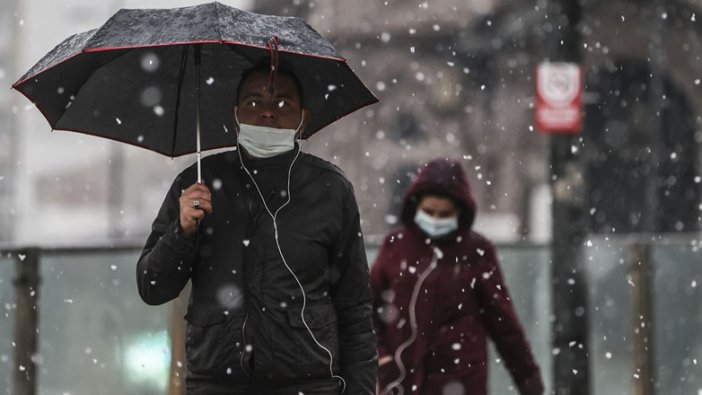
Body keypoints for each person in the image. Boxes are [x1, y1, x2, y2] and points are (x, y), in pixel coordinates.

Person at [136, 61, 377, 394]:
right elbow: (152, 286)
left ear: (303, 119)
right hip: (216, 384)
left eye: (282, 103)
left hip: (309, 383)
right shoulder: (197, 184)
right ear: (235, 115)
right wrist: (182, 231)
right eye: (253, 103)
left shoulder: (330, 189)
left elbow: (354, 307)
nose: (267, 113)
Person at [370, 158, 544, 395]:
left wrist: (528, 380)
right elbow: (366, 309)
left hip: (460, 381)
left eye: (444, 214)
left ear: (459, 211)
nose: (436, 220)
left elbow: (503, 321)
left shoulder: (476, 251)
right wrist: (382, 357)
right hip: (402, 380)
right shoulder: (395, 246)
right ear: (416, 206)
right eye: (430, 212)